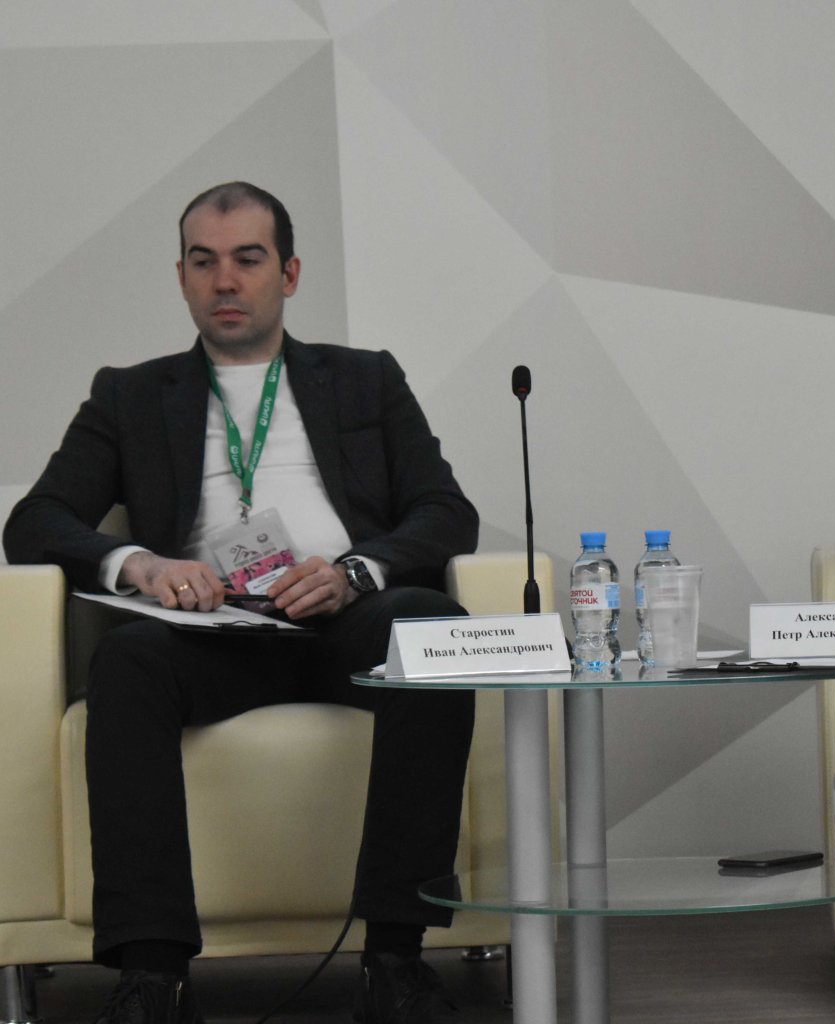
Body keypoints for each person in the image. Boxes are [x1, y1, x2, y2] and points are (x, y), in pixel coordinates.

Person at [4, 182, 480, 1024]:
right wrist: (141, 564)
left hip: (343, 614)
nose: (225, 281)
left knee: (433, 631)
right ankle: (152, 978)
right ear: (182, 277)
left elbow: (446, 512)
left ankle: (396, 961)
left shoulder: (366, 380)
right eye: (204, 262)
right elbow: (34, 521)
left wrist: (356, 571)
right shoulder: (130, 394)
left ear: (288, 274)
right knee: (126, 663)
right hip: (212, 630)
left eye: (248, 260)